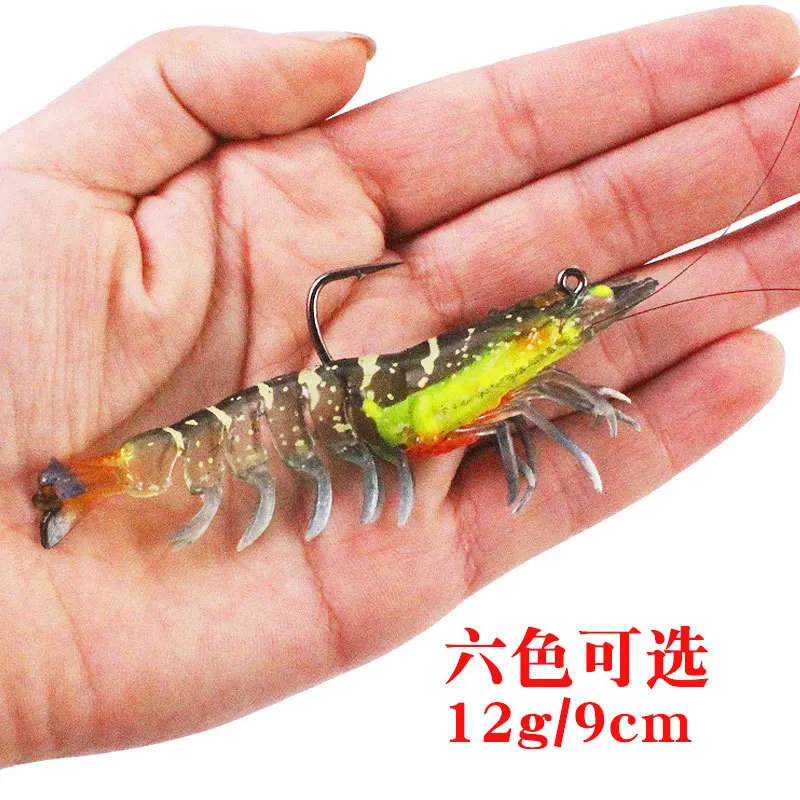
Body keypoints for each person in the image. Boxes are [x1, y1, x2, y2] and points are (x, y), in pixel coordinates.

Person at [0, 7, 797, 765]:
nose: (572, 316)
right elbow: (429, 426)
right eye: (567, 296)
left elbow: (452, 417)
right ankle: (89, 482)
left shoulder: (520, 356)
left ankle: (86, 484)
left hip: (357, 411)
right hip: (299, 420)